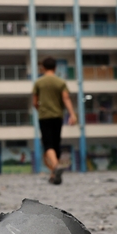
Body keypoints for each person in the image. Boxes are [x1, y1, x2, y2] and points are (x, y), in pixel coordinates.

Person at [32, 57, 77, 185]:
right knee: (56, 144)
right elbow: (66, 98)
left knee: (48, 145)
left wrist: (40, 109)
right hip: (58, 116)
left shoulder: (39, 83)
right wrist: (72, 114)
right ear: (55, 68)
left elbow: (35, 102)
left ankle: (56, 166)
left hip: (44, 116)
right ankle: (54, 176)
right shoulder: (60, 82)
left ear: (43, 68)